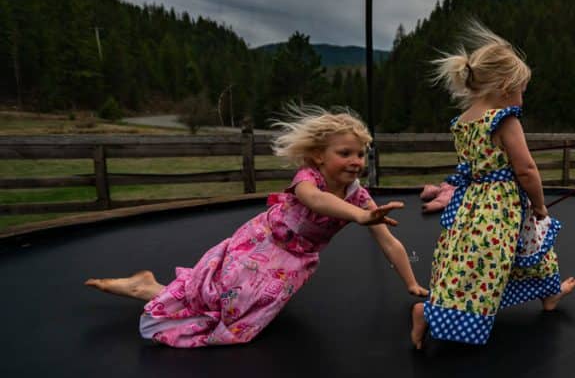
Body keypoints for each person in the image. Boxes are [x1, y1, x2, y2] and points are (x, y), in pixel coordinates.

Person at [85, 107, 427, 348]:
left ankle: (148, 286)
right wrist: (360, 216)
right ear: (319, 156)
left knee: (238, 314)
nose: (356, 161)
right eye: (345, 153)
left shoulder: (359, 197)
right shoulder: (308, 179)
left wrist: (411, 283)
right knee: (224, 305)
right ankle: (146, 289)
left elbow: (390, 242)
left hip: (294, 263)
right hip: (263, 245)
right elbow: (316, 201)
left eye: (361, 154)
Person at [410, 21, 575, 349]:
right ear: (503, 85)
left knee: (523, 248)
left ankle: (550, 291)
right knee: (489, 261)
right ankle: (430, 313)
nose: (521, 99)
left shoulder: (463, 121)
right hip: (500, 205)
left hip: (471, 203)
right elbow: (526, 168)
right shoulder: (505, 119)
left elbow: (469, 165)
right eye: (520, 90)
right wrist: (540, 205)